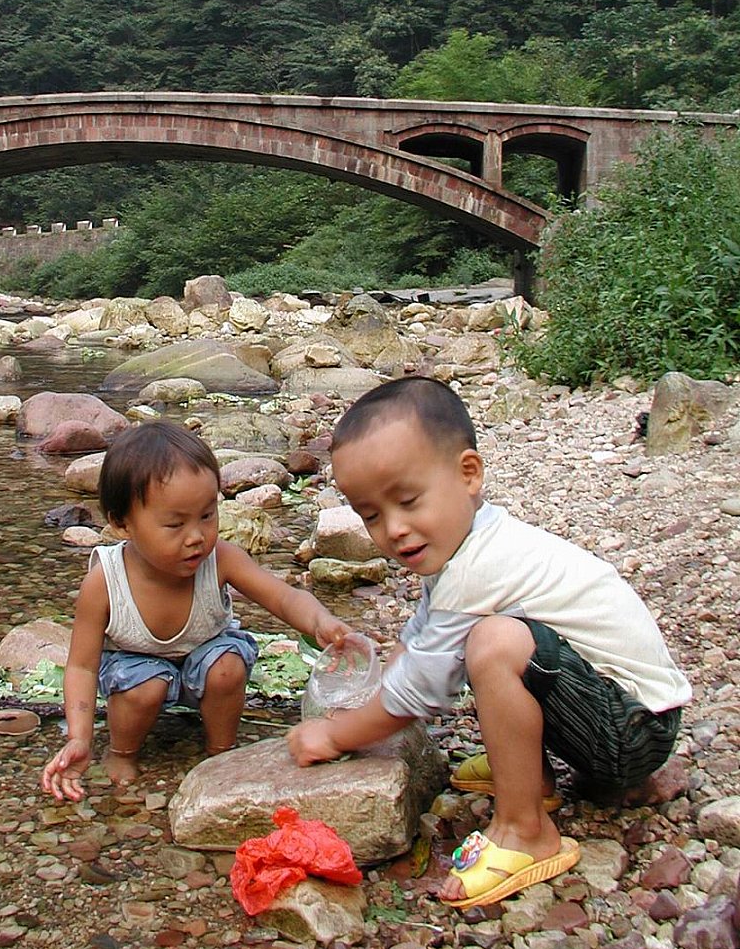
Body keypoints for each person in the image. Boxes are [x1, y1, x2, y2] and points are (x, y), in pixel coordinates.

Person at [287, 376, 691, 910]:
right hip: (612, 712)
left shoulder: (480, 565)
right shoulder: (470, 539)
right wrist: (376, 689)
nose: (395, 529)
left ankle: (526, 830)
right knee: (489, 637)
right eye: (372, 515)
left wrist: (338, 734)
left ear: (469, 474)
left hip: (634, 733)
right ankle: (530, 777)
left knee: (495, 643)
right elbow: (423, 634)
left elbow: (419, 694)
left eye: (408, 501)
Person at [42, 420, 351, 800]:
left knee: (227, 664)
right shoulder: (105, 581)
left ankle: (221, 751)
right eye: (175, 524)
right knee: (144, 687)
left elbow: (283, 598)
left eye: (207, 516)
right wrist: (79, 737)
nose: (196, 537)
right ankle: (122, 751)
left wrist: (320, 621)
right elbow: (82, 666)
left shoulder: (220, 559)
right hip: (134, 674)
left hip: (205, 664)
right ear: (122, 524)